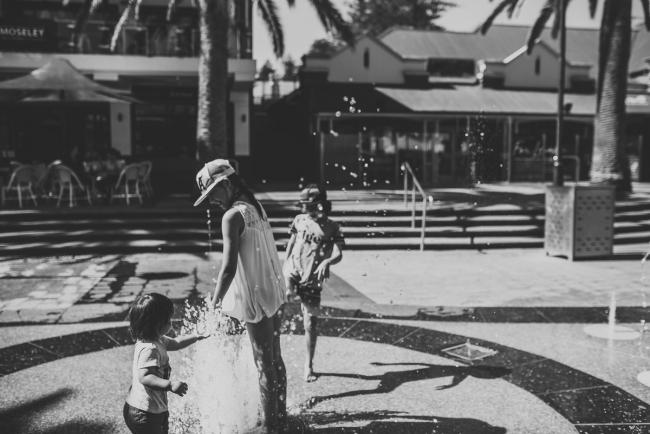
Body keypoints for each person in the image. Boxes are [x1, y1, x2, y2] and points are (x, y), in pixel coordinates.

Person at [194, 159, 287, 433]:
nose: (211, 201)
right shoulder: (256, 208)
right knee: (275, 360)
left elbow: (228, 268)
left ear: (225, 185)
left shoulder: (232, 216)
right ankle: (280, 416)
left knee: (263, 365)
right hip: (274, 292)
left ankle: (271, 427)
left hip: (256, 297)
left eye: (212, 194)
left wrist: (215, 302)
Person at [283, 184, 344, 382]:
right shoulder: (299, 220)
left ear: (320, 204)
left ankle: (308, 365)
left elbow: (338, 253)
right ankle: (273, 355)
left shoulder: (332, 226)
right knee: (280, 304)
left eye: (308, 205)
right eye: (303, 205)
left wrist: (327, 261)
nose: (304, 209)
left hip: (312, 279)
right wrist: (284, 264)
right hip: (292, 272)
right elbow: (291, 242)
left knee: (310, 323)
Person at [123, 292, 207, 434]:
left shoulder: (157, 339)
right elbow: (145, 377)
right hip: (144, 413)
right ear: (156, 324)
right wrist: (171, 385)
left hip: (153, 408)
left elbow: (177, 343)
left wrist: (196, 336)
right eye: (168, 320)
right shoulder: (150, 348)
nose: (171, 322)